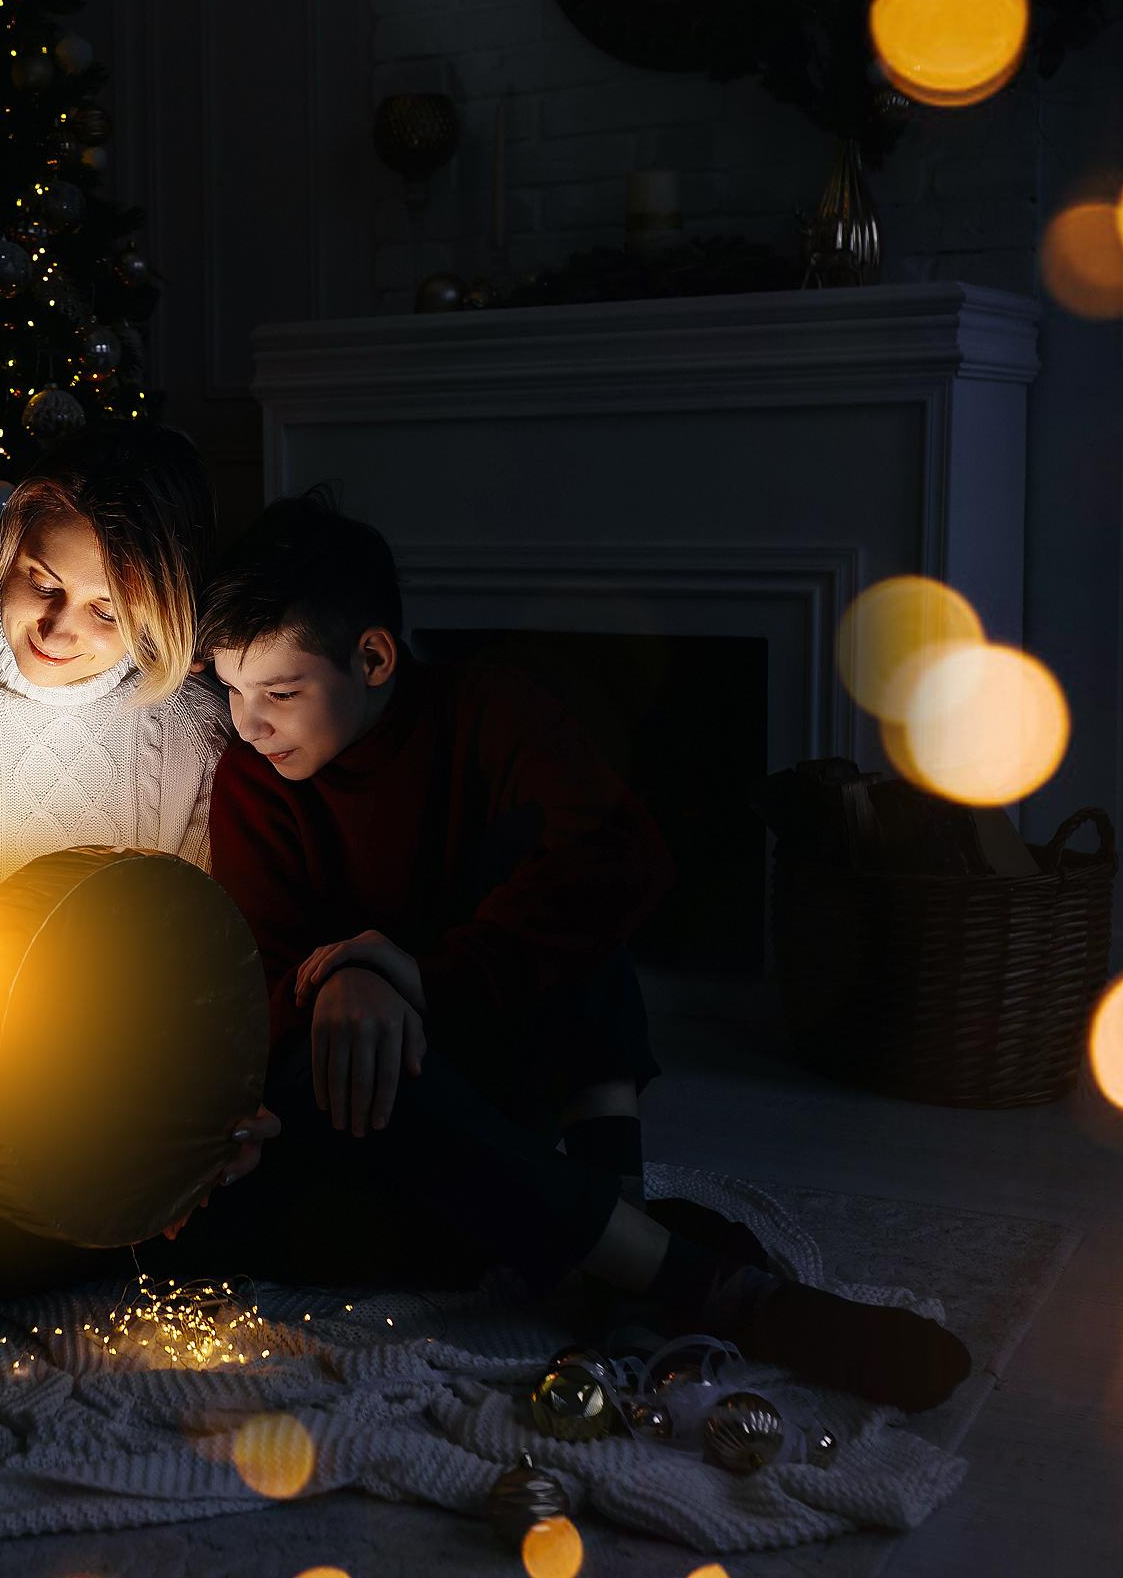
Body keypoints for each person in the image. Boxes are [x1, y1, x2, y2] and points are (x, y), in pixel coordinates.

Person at [194, 491, 972, 1412]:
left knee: (574, 915)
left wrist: (419, 973)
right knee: (371, 1070)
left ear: (372, 659)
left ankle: (621, 1245)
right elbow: (261, 983)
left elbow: (624, 859)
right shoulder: (252, 781)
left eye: (279, 692)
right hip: (377, 1103)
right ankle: (683, 1275)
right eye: (231, 690)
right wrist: (345, 981)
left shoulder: (486, 709)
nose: (249, 723)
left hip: (488, 1045)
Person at [0, 425, 230, 901]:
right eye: (41, 583)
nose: (56, 631)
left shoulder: (200, 738)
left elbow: (204, 946)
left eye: (106, 611)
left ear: (161, 612)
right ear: (10, 551)